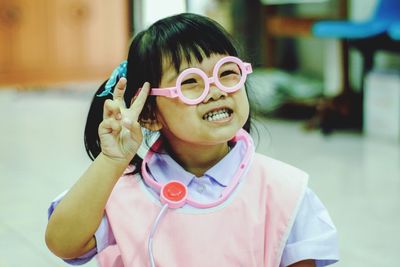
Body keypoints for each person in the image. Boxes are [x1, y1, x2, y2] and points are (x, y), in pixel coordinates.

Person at [45, 13, 339, 267]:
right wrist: (112, 161)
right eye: (190, 83)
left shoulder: (286, 191)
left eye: (227, 74)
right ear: (149, 113)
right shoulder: (122, 193)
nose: (216, 91)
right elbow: (62, 242)